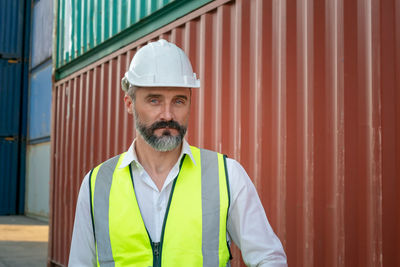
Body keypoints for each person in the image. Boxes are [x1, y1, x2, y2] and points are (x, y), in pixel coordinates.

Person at [68, 39, 287, 267]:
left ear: (190, 103)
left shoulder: (227, 175)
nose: (167, 115)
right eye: (154, 100)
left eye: (179, 101)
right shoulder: (97, 184)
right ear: (129, 103)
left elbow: (269, 258)